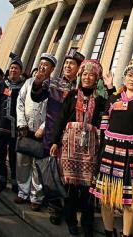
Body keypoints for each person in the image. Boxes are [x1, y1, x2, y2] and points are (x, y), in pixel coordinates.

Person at [91, 55, 133, 237]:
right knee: (106, 197)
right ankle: (108, 232)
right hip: (109, 152)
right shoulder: (114, 97)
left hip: (132, 154)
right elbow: (104, 123)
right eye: (130, 74)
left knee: (130, 201)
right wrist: (102, 149)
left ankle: (126, 234)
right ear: (124, 76)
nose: (132, 78)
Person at [50, 60, 109, 237]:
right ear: (80, 76)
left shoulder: (100, 100)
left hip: (90, 147)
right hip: (69, 145)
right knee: (70, 186)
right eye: (84, 74)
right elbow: (60, 118)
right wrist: (55, 141)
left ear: (96, 78)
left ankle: (87, 222)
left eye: (91, 74)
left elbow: (103, 124)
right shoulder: (71, 95)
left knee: (87, 187)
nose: (87, 77)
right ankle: (71, 220)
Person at [31, 49, 84, 225]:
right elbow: (37, 97)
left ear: (79, 68)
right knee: (49, 169)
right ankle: (53, 207)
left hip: (71, 138)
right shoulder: (53, 83)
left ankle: (65, 206)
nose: (68, 66)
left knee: (65, 173)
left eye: (72, 64)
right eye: (66, 63)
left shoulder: (81, 88)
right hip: (51, 133)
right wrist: (37, 84)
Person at [14, 53, 56, 210]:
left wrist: (43, 128)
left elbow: (54, 112)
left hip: (41, 133)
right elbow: (20, 102)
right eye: (41, 63)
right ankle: (22, 192)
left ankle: (36, 198)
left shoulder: (53, 87)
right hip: (25, 130)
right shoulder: (29, 82)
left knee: (38, 166)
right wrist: (21, 123)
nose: (43, 66)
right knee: (22, 162)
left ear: (52, 69)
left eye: (47, 65)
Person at [0, 56, 25, 192]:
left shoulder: (23, 87)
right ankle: (1, 179)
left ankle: (15, 181)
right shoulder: (2, 84)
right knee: (0, 154)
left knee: (14, 157)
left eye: (16, 68)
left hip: (15, 128)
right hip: (1, 125)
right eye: (12, 67)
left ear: (20, 71)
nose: (13, 70)